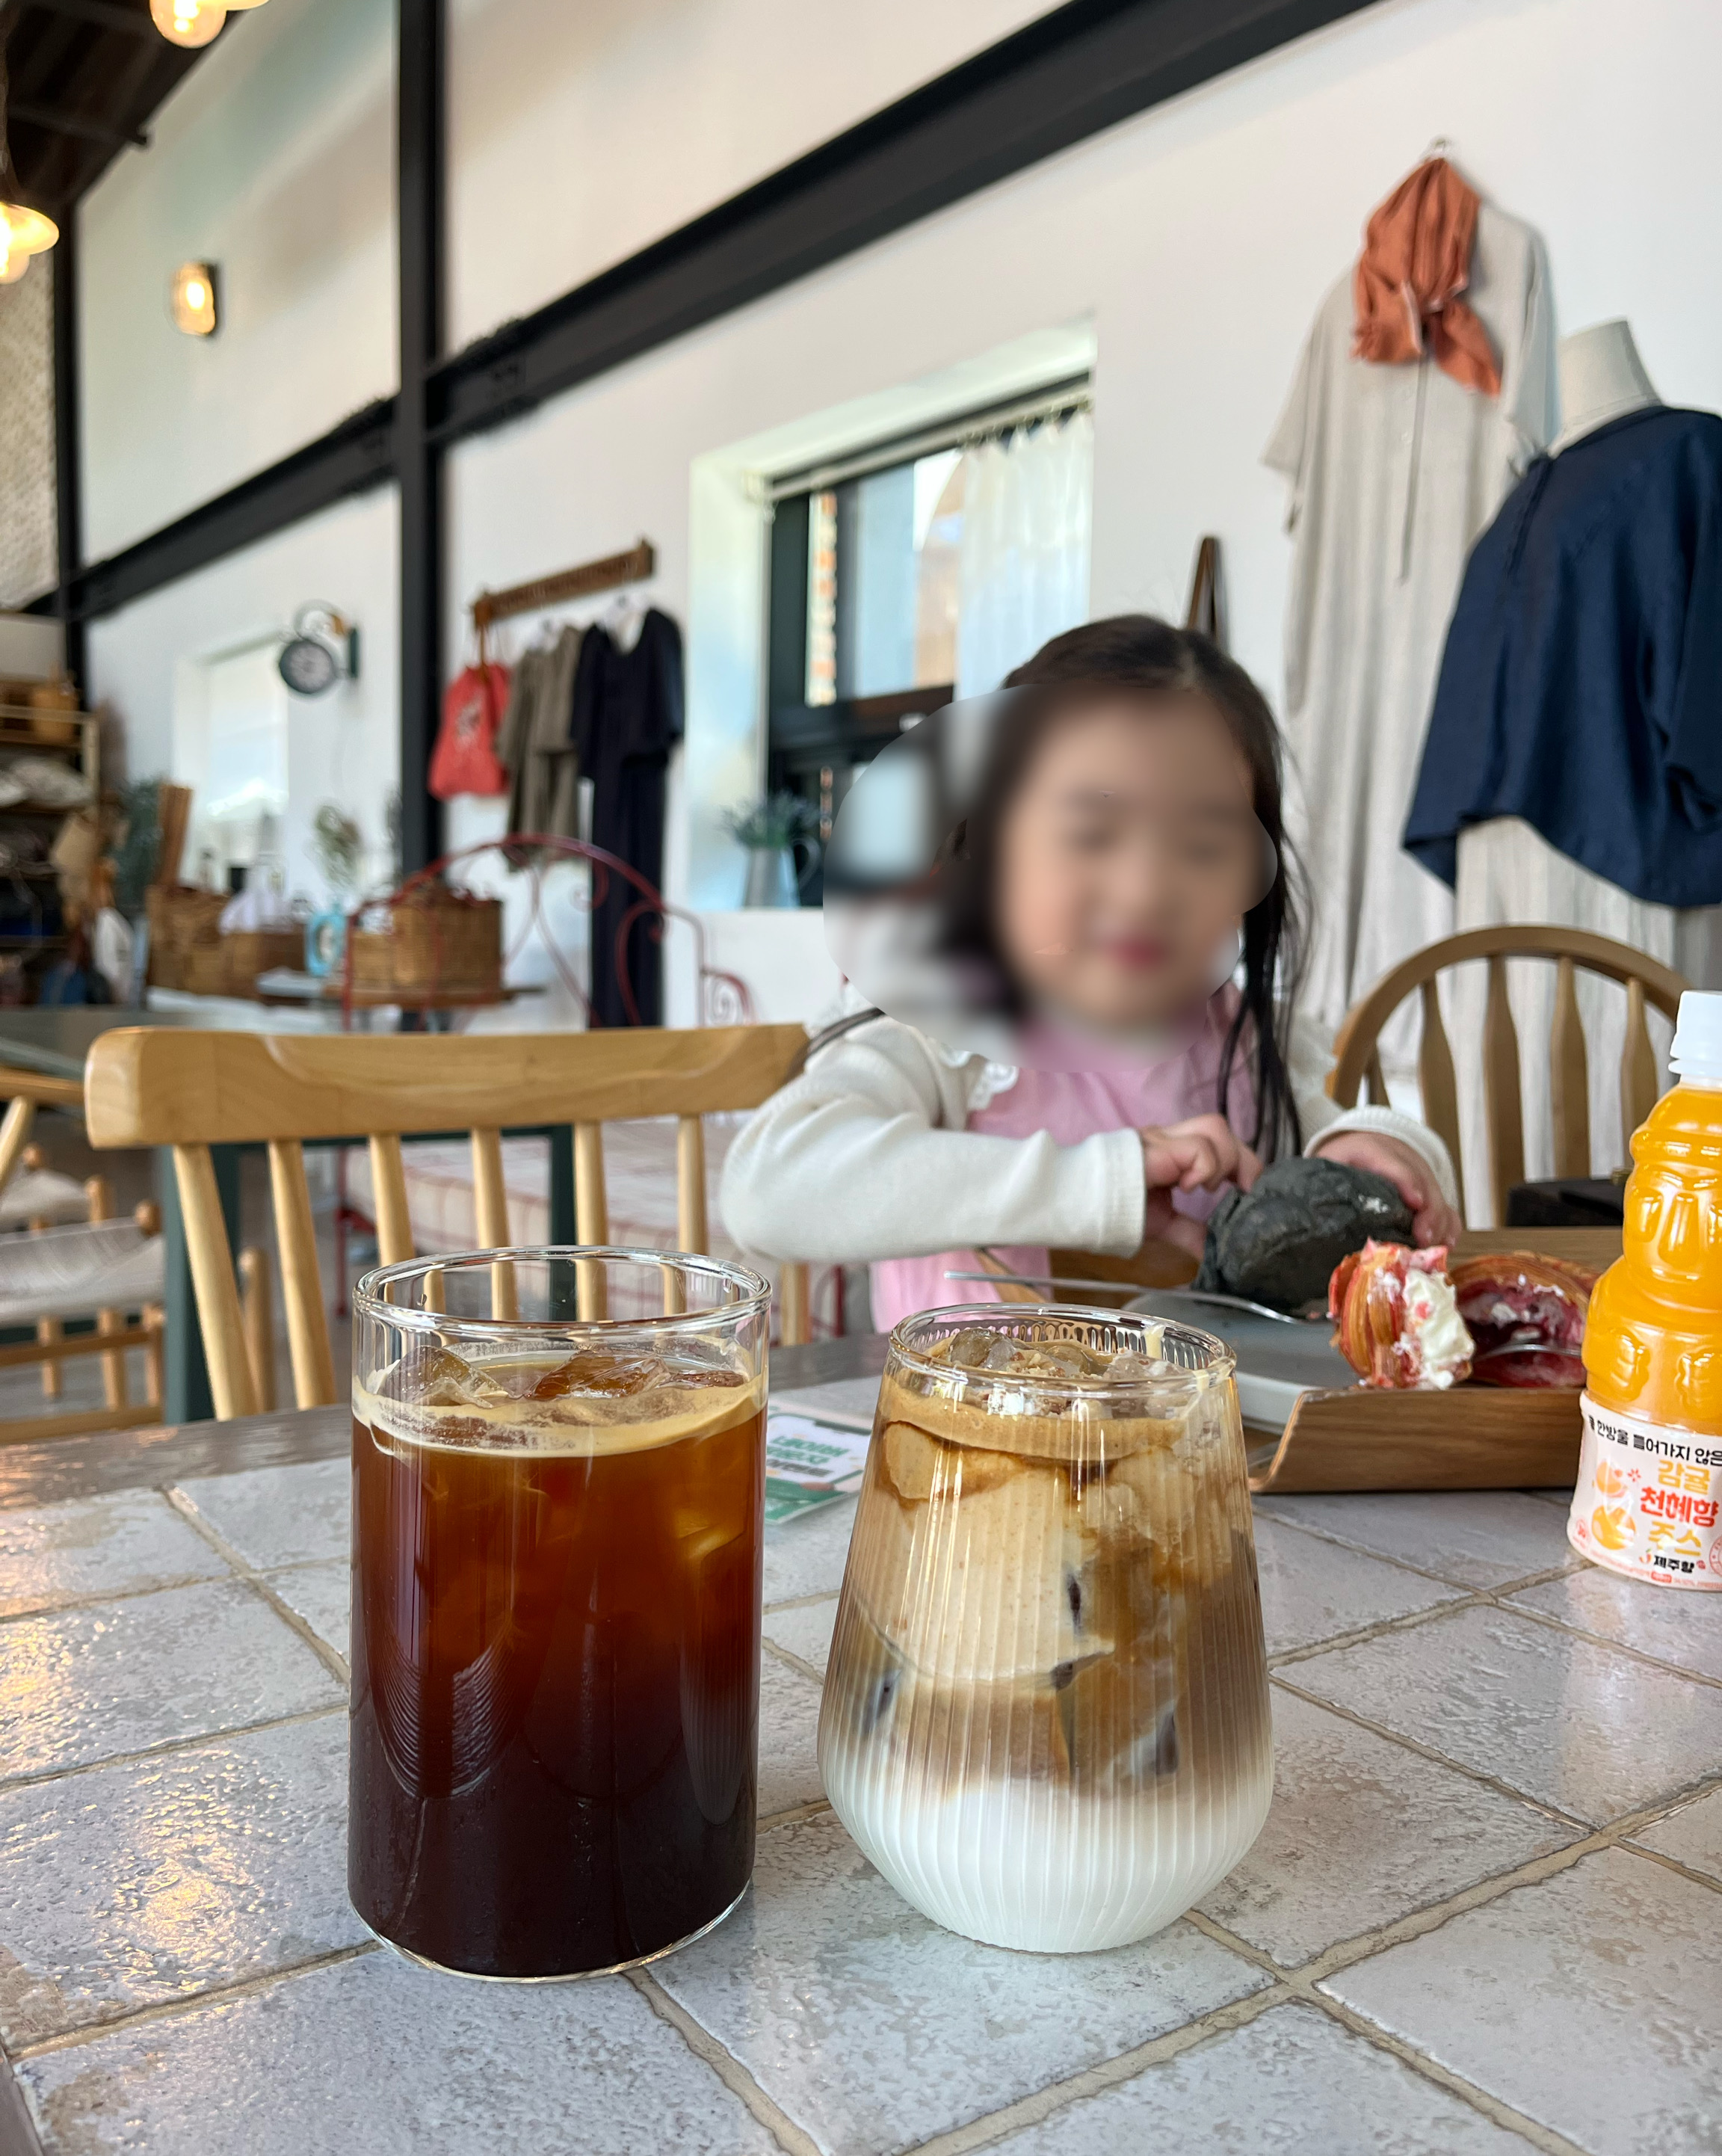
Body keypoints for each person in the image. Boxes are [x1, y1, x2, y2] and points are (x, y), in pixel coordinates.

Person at [722, 615, 1460, 1332]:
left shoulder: (1236, 1035)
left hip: (1206, 1445)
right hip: (966, 1442)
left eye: (1203, 846)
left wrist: (1379, 1154)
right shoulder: (938, 1024)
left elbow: (1368, 1149)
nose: (1145, 890)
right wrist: (1098, 1184)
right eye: (1091, 834)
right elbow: (768, 1190)